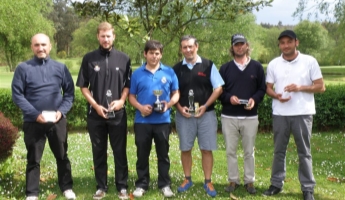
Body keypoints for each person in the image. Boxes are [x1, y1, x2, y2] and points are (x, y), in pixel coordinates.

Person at [11, 33, 76, 200]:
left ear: (50, 46)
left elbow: (69, 93)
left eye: (44, 45)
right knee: (33, 158)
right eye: (37, 45)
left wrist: (61, 112)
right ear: (32, 47)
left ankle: (67, 187)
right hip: (33, 121)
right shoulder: (23, 68)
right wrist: (34, 114)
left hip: (56, 120)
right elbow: (17, 95)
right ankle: (32, 193)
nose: (41, 48)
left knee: (62, 155)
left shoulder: (60, 68)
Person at [263, 30, 325, 200]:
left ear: (296, 42)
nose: (285, 45)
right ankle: (276, 184)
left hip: (303, 113)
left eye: (289, 42)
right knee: (278, 151)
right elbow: (268, 87)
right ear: (279, 45)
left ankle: (307, 188)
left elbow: (321, 86)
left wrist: (300, 87)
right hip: (280, 113)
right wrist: (276, 96)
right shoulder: (274, 64)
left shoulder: (309, 61)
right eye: (282, 43)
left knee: (304, 152)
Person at [76, 22, 131, 200]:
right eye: (102, 36)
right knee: (98, 151)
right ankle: (101, 186)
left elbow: (127, 85)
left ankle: (122, 186)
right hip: (96, 115)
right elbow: (83, 87)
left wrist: (122, 101)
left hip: (117, 115)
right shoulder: (89, 58)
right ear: (97, 37)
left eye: (108, 36)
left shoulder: (124, 58)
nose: (106, 39)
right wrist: (96, 105)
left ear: (114, 37)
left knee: (119, 151)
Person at [173, 35, 224, 197]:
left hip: (206, 115)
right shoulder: (176, 69)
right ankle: (187, 179)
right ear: (181, 49)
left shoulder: (208, 65)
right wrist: (180, 108)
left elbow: (218, 89)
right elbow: (173, 92)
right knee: (185, 149)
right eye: (184, 47)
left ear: (197, 46)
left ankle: (208, 181)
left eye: (190, 46)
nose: (187, 50)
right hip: (184, 116)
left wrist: (206, 105)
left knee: (206, 149)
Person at [128, 40, 179, 198]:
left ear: (161, 55)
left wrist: (168, 104)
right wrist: (140, 107)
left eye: (157, 53)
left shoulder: (169, 72)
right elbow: (131, 96)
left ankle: (164, 184)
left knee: (163, 154)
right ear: (145, 54)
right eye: (151, 53)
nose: (154, 56)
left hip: (163, 121)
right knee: (142, 154)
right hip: (142, 121)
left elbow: (176, 94)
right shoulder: (137, 73)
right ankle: (142, 184)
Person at [218, 34, 266, 194]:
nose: (239, 47)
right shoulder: (225, 68)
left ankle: (249, 181)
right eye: (236, 45)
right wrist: (228, 98)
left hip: (250, 117)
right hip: (229, 116)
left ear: (247, 46)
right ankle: (233, 180)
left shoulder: (257, 67)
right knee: (230, 150)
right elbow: (219, 92)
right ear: (232, 47)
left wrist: (254, 99)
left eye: (242, 44)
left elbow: (262, 89)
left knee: (249, 151)